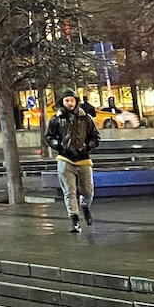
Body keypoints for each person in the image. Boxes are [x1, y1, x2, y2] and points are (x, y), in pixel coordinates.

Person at [45, 90, 99, 233]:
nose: (70, 103)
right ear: (62, 102)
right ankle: (74, 220)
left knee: (88, 190)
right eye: (67, 100)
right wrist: (58, 145)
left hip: (83, 160)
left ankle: (85, 205)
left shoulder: (86, 119)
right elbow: (49, 137)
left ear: (76, 101)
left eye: (72, 100)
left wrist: (89, 146)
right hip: (65, 159)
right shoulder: (56, 119)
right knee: (69, 191)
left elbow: (95, 136)